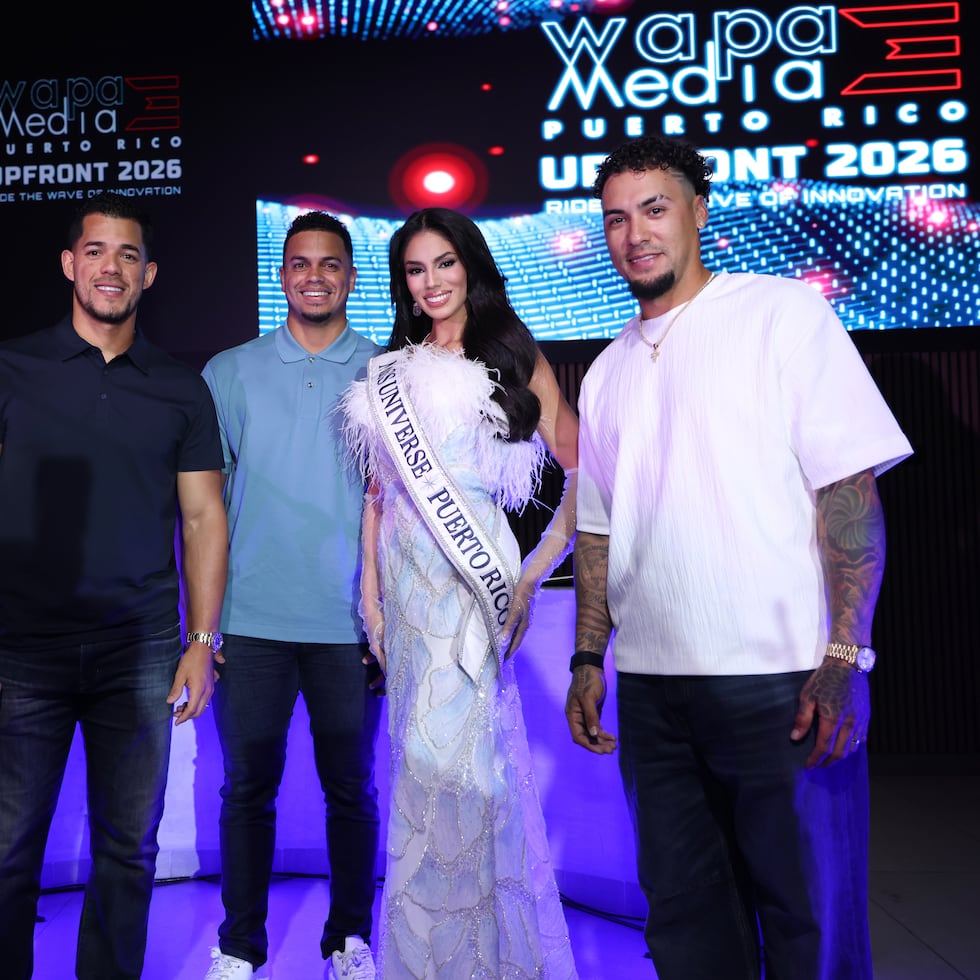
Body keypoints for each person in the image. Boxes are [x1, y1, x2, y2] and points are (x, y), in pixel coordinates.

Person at [565, 135, 914, 980]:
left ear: (698, 212)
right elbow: (600, 533)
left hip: (781, 682)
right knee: (686, 920)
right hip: (653, 692)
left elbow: (849, 495)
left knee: (809, 922)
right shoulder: (606, 370)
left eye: (655, 209)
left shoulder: (781, 313)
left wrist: (844, 655)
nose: (634, 233)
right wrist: (587, 656)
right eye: (616, 217)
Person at [341, 207, 579, 979]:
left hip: (477, 594)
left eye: (445, 263)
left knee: (474, 772)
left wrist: (538, 567)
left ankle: (489, 957)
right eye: (416, 269)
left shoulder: (513, 357)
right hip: (408, 604)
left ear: (470, 266)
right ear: (403, 285)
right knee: (417, 766)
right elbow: (379, 498)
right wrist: (371, 600)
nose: (432, 282)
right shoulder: (391, 372)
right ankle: (428, 957)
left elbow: (586, 473)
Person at [0, 192, 228, 980]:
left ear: (149, 273)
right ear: (70, 265)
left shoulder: (179, 386)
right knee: (4, 850)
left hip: (139, 648)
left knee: (127, 852)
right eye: (96, 251)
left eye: (128, 255)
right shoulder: (11, 368)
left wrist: (202, 642)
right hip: (18, 653)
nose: (111, 267)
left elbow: (203, 519)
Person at [200, 210, 384, 980]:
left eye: (330, 264)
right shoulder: (229, 371)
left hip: (351, 626)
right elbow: (202, 510)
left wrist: (384, 620)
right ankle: (240, 944)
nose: (315, 276)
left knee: (351, 789)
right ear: (282, 275)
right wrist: (204, 632)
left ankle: (348, 940)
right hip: (252, 624)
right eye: (300, 264)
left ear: (350, 275)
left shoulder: (384, 372)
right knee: (248, 791)